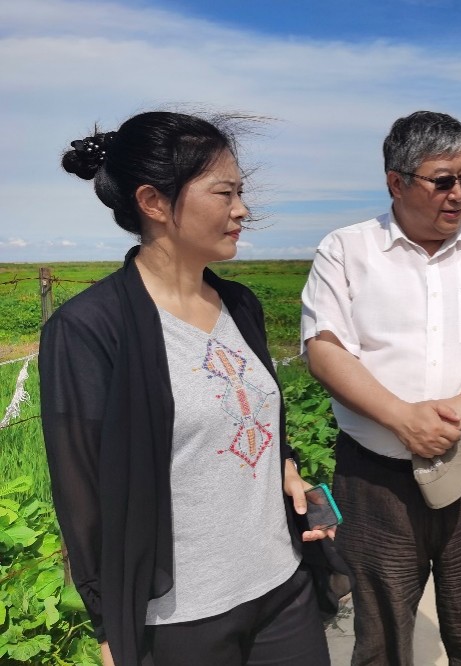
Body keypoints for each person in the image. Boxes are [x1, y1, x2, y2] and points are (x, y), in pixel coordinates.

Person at [40, 111, 333, 666]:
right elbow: (82, 494)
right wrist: (109, 626)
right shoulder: (89, 329)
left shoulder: (240, 305)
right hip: (179, 620)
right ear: (153, 202)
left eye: (241, 192)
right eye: (224, 193)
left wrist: (286, 465)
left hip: (282, 587)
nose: (242, 210)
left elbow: (253, 417)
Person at [301, 110, 461, 665]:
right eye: (443, 181)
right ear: (396, 182)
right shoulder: (346, 250)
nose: (459, 194)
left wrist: (460, 410)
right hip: (376, 479)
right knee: (382, 632)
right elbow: (324, 350)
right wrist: (401, 417)